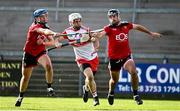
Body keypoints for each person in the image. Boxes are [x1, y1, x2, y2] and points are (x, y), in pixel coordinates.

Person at [94, 9, 161, 105]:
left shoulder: (126, 25)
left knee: (134, 72)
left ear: (118, 16)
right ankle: (111, 93)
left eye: (114, 16)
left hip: (126, 56)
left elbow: (137, 26)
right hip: (114, 59)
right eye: (110, 17)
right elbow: (100, 34)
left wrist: (150, 33)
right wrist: (96, 35)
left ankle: (136, 95)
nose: (112, 18)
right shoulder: (108, 28)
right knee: (114, 81)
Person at [15, 8, 60, 107]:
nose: (44, 18)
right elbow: (43, 31)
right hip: (29, 53)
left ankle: (49, 87)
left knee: (48, 66)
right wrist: (52, 33)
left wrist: (50, 42)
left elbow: (52, 42)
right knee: (26, 77)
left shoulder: (46, 26)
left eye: (45, 16)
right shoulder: (34, 27)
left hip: (40, 52)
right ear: (36, 18)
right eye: (42, 17)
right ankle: (20, 96)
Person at [58, 13, 100, 106]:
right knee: (90, 77)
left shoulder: (86, 30)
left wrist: (96, 46)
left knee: (89, 79)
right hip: (81, 59)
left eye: (79, 20)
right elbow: (58, 39)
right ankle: (95, 98)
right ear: (70, 23)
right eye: (75, 21)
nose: (77, 22)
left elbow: (96, 38)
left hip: (93, 57)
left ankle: (86, 88)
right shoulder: (67, 32)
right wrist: (57, 43)